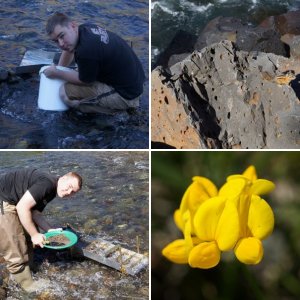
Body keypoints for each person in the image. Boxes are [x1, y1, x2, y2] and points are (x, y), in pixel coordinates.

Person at [43, 12, 146, 114]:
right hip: (134, 80)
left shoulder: (86, 51)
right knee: (74, 72)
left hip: (127, 94)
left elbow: (85, 81)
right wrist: (60, 69)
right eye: (56, 41)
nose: (60, 43)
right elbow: (68, 50)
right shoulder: (84, 29)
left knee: (65, 93)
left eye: (62, 36)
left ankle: (117, 112)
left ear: (73, 26)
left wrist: (58, 73)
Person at [0, 168, 82, 293]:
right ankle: (27, 286)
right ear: (63, 178)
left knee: (27, 238)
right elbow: (22, 207)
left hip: (14, 201)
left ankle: (30, 269)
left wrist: (50, 230)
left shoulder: (52, 189)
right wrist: (34, 234)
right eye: (69, 186)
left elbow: (35, 213)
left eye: (73, 192)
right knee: (15, 246)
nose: (69, 192)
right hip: (3, 200)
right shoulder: (47, 184)